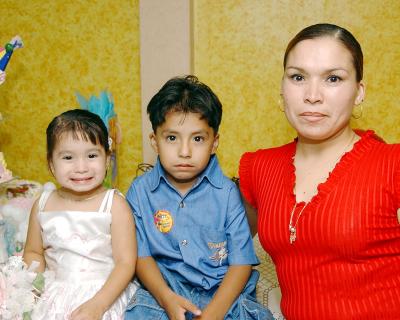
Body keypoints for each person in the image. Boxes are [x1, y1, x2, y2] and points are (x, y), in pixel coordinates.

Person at [239, 23, 400, 320]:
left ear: (359, 91)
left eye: (333, 78)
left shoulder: (392, 164)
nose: (312, 95)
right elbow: (216, 243)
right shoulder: (259, 167)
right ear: (282, 86)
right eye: (298, 77)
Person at [125, 75, 272, 320]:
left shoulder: (227, 194)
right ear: (155, 141)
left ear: (214, 143)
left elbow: (240, 263)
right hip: (163, 293)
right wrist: (165, 298)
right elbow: (141, 256)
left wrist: (211, 315)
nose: (184, 152)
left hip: (222, 295)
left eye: (198, 139)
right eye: (172, 138)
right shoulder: (140, 192)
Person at [23, 109, 137, 319]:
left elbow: (126, 263)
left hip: (105, 295)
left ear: (107, 159)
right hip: (54, 295)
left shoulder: (114, 204)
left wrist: (99, 305)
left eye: (92, 155)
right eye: (68, 157)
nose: (81, 167)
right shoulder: (43, 203)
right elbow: (33, 252)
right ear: (51, 164)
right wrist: (33, 287)